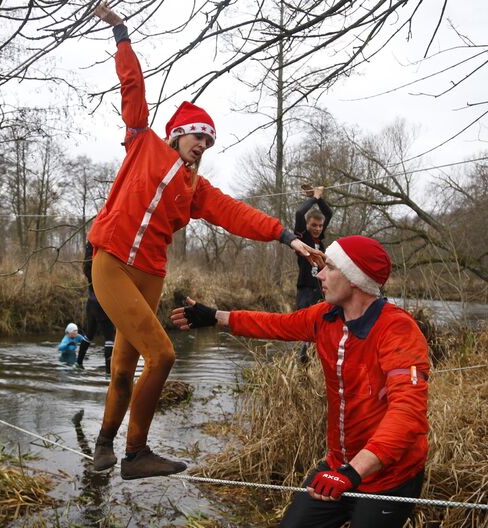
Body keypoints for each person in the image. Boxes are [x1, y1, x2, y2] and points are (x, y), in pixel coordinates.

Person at [88, 2, 325, 481]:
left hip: (150, 274)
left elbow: (239, 215)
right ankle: (136, 454)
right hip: (111, 261)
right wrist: (121, 34)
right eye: (196, 137)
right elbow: (132, 86)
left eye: (208, 142)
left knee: (123, 368)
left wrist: (288, 238)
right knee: (164, 354)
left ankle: (102, 448)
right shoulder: (143, 143)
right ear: (177, 136)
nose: (201, 146)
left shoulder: (197, 190)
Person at [171, 236, 429, 528]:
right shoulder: (326, 316)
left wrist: (354, 473)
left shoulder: (398, 330)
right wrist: (213, 316)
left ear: (356, 279)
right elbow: (275, 324)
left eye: (329, 267)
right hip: (338, 465)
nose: (319, 275)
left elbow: (407, 415)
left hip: (388, 477)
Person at [294, 185, 333, 363]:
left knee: (319, 325)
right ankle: (301, 359)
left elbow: (329, 213)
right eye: (313, 225)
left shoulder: (320, 240)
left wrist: (319, 198)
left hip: (319, 289)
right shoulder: (303, 238)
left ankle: (315, 358)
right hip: (305, 289)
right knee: (303, 325)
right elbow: (299, 213)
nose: (317, 228)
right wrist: (313, 198)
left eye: (319, 226)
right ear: (308, 226)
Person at [76, 241, 116, 375]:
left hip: (91, 303)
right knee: (109, 337)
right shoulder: (103, 266)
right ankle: (108, 373)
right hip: (103, 303)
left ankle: (78, 363)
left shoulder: (87, 267)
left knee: (89, 334)